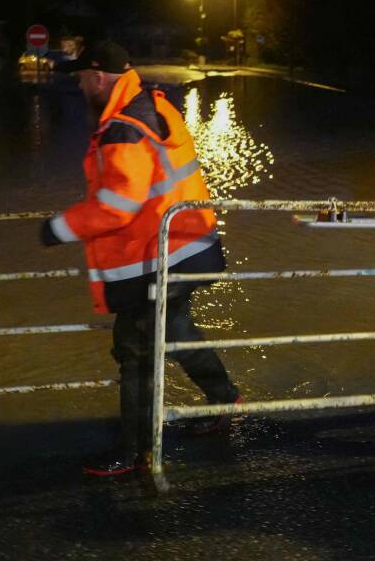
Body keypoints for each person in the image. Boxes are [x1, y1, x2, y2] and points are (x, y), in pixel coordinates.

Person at [40, 40, 241, 476]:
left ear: (98, 76)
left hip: (160, 253)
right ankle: (225, 398)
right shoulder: (153, 102)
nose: (78, 86)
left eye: (80, 78)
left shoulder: (123, 127)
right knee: (173, 326)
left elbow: (116, 204)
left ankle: (133, 452)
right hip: (187, 243)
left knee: (133, 348)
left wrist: (58, 228)